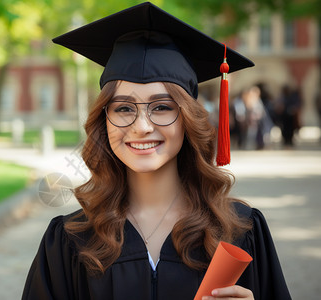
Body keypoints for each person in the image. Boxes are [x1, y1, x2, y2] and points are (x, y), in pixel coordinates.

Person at [22, 3, 291, 299]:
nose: (141, 126)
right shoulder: (70, 239)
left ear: (188, 120)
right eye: (123, 108)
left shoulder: (240, 231)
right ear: (103, 121)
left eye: (162, 107)